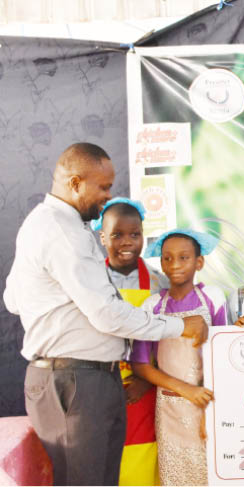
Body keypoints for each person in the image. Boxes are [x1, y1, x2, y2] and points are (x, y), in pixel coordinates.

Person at [2, 143, 208, 486]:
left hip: (85, 378)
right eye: (103, 187)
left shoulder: (44, 224)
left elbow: (12, 299)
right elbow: (108, 316)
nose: (107, 196)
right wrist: (180, 325)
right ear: (76, 183)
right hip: (75, 381)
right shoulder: (63, 233)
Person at [131, 229, 227, 486]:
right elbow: (140, 364)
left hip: (206, 403)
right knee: (175, 477)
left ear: (199, 262)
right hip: (169, 407)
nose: (174, 265)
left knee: (209, 474)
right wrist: (184, 389)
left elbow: (222, 360)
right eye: (167, 258)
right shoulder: (152, 307)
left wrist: (213, 412)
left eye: (184, 258)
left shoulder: (213, 299)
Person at [93, 197, 165, 486]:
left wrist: (148, 379)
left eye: (135, 235)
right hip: (101, 384)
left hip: (144, 386)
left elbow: (168, 339)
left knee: (144, 455)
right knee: (106, 456)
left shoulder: (160, 283)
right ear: (101, 237)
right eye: (117, 235)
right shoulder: (90, 281)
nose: (127, 242)